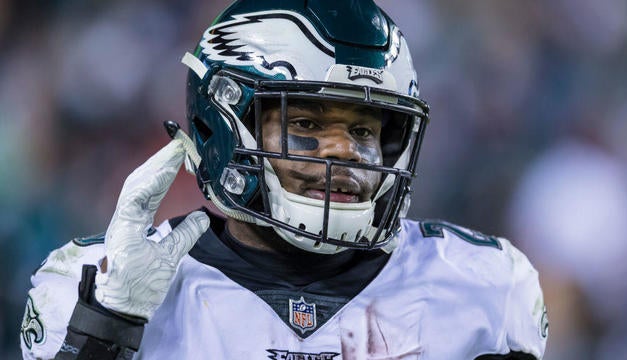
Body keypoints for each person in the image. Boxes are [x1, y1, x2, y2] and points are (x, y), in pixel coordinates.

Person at [20, 1, 548, 359]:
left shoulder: (483, 286)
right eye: (307, 124)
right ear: (223, 126)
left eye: (364, 129)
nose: (346, 152)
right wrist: (105, 330)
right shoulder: (95, 287)